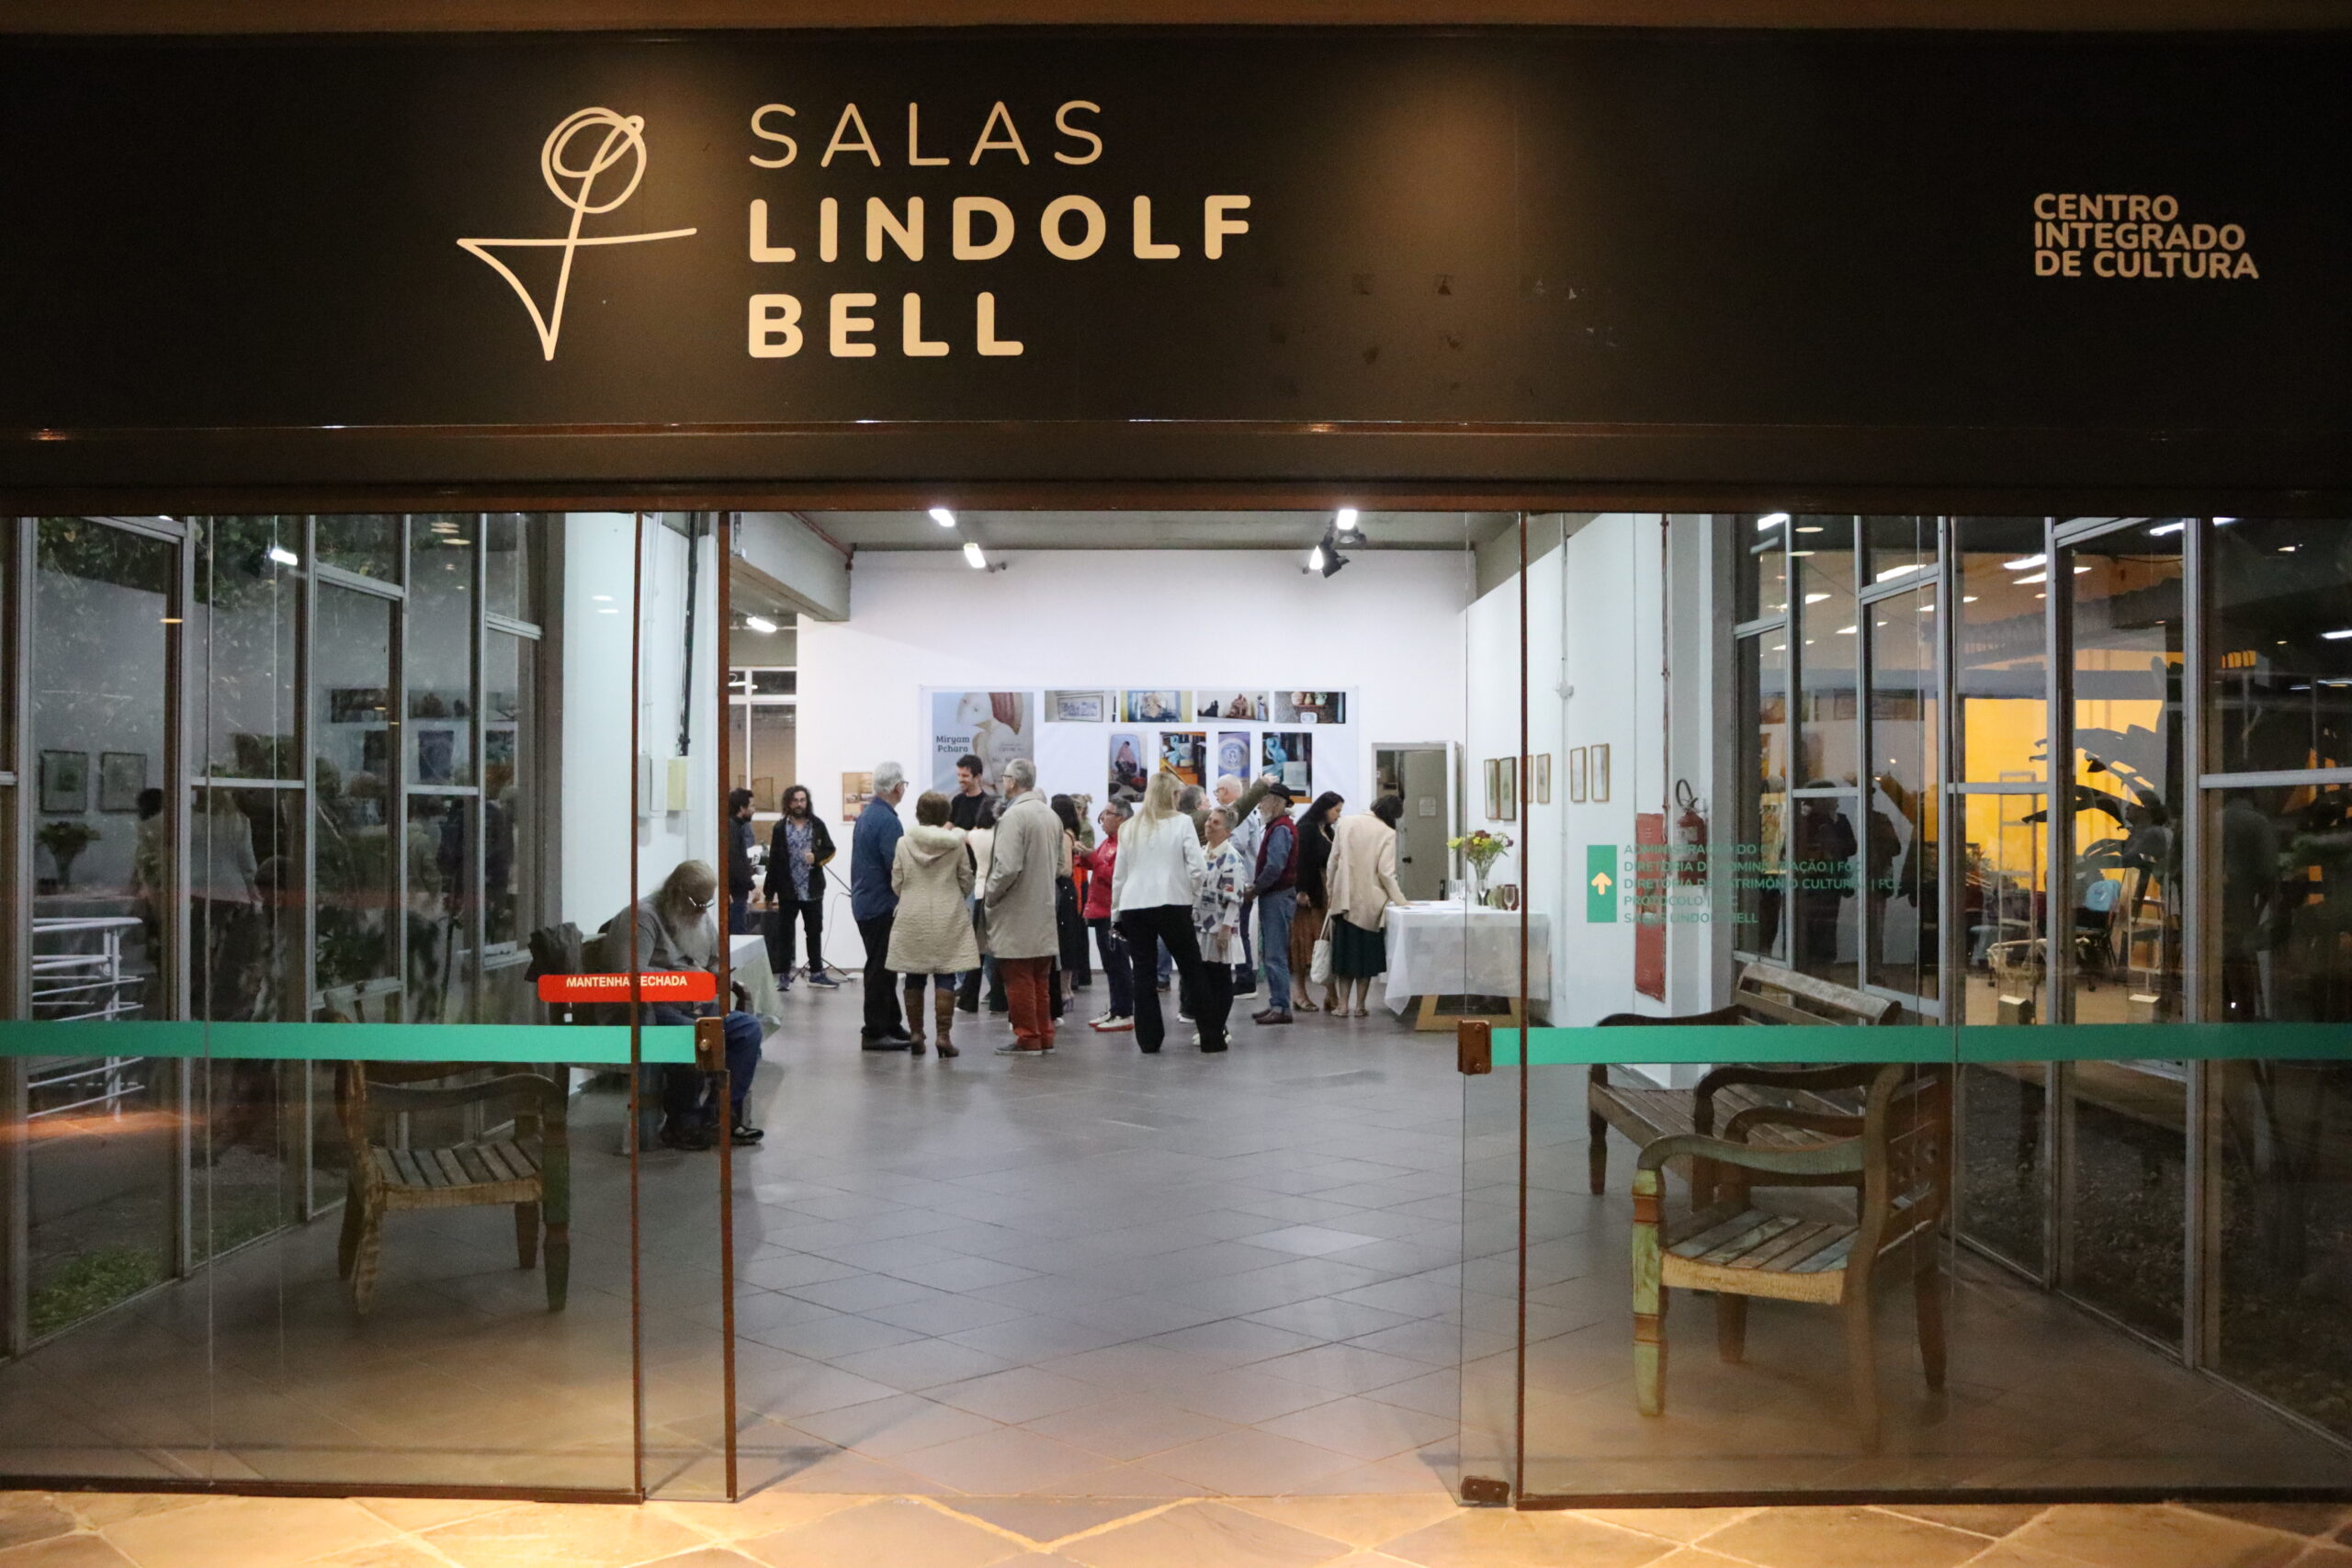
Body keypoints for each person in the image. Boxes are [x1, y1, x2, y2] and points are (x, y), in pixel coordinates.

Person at [604, 861, 764, 1150]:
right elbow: (628, 974)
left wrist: (719, 973)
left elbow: (714, 959)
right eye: (697, 903)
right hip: (652, 1010)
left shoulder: (697, 914)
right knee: (695, 1036)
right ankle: (684, 1122)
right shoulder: (642, 917)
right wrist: (683, 978)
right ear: (676, 893)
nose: (703, 910)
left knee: (747, 1029)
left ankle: (718, 1116)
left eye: (707, 903)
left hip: (696, 1006)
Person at [1113, 770, 1212, 1054]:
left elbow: (1120, 875)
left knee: (1143, 974)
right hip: (1172, 901)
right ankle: (1211, 1037)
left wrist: (1115, 914)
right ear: (1173, 795)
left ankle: (1149, 1041)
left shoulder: (1128, 827)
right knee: (1192, 970)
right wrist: (1190, 894)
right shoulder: (1182, 822)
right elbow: (1198, 869)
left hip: (1134, 905)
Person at [887, 791, 979, 1058]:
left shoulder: (904, 843)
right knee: (946, 973)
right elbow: (966, 880)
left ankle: (916, 1033)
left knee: (914, 974)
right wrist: (953, 894)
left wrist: (910, 894)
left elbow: (897, 882)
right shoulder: (956, 844)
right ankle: (943, 1037)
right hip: (947, 914)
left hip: (912, 914)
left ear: (919, 813)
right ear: (944, 815)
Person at [985, 758, 1064, 1055]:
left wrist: (990, 894)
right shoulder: (1050, 815)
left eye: (1005, 776)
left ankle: (1028, 1037)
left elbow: (1007, 868)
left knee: (1017, 977)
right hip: (1044, 909)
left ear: (1012, 781)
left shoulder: (1014, 817)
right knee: (1040, 979)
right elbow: (1061, 865)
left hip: (1016, 910)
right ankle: (1045, 1034)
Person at [1327, 794, 1410, 1018]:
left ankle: (1342, 1006)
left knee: (1344, 958)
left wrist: (1331, 891)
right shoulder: (1388, 833)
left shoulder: (1346, 823)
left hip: (1344, 900)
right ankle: (1360, 1006)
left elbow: (1333, 861)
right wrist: (1401, 900)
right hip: (1370, 904)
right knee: (1365, 958)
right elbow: (1386, 873)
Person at [851, 761, 911, 1049]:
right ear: (897, 787)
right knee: (879, 967)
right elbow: (896, 866)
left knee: (886, 966)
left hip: (868, 900)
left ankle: (891, 1022)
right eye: (904, 784)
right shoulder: (888, 820)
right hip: (880, 903)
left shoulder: (869, 815)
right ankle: (874, 1031)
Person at [763, 784, 837, 989]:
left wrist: (816, 857)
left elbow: (830, 849)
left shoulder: (817, 825)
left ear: (807, 802)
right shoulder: (780, 828)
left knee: (814, 932)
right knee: (785, 934)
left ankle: (817, 973)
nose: (799, 804)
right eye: (795, 800)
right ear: (789, 803)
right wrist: (769, 892)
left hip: (812, 890)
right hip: (788, 890)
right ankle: (784, 976)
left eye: (802, 800)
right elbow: (773, 861)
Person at [1192, 806, 1249, 1052]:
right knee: (1203, 978)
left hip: (1219, 927)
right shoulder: (1201, 853)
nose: (1208, 824)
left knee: (1219, 977)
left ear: (1227, 831)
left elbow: (1234, 897)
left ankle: (1219, 1026)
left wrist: (1226, 929)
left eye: (1215, 822)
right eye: (1209, 820)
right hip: (1199, 923)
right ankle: (1208, 1025)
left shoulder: (1231, 858)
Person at [1250, 783, 1300, 1026]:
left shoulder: (1280, 829)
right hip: (1276, 895)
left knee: (1275, 954)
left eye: (1263, 800)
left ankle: (1281, 1006)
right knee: (1272, 952)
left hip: (1277, 896)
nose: (1260, 805)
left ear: (1274, 802)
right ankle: (1276, 1003)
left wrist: (1256, 888)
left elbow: (1274, 866)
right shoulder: (1279, 826)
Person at [1290, 792, 1344, 1012]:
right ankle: (1300, 992)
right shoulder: (1306, 829)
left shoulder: (1328, 831)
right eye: (1336, 810)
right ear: (1324, 808)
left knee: (1324, 942)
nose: (1338, 815)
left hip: (1325, 893)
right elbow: (1301, 861)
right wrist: (1302, 890)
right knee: (1304, 942)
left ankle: (1331, 994)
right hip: (1311, 894)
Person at [1085, 799, 1134, 1032]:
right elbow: (1097, 865)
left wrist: (1093, 860)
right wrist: (1085, 855)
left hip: (1114, 913)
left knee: (1119, 963)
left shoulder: (1127, 843)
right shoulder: (1107, 842)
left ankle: (1124, 1012)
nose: (1102, 818)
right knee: (1110, 964)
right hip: (1099, 910)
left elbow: (1116, 875)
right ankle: (1116, 1009)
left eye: (1107, 813)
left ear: (1121, 818)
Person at [1051, 794, 1092, 991]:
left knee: (1066, 938)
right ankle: (1065, 988)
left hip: (1065, 888)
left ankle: (1065, 989)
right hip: (1067, 888)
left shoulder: (1065, 835)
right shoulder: (1069, 834)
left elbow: (1066, 869)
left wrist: (1050, 869)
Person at [725, 787, 758, 936]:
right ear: (742, 808)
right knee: (738, 934)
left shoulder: (737, 826)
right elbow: (735, 861)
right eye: (751, 806)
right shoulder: (732, 828)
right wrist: (751, 886)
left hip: (738, 891)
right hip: (736, 892)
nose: (754, 810)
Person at [948, 752, 998, 830]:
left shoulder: (988, 805)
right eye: (959, 775)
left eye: (965, 776)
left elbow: (979, 832)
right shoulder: (957, 800)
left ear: (978, 777)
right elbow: (949, 824)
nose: (960, 779)